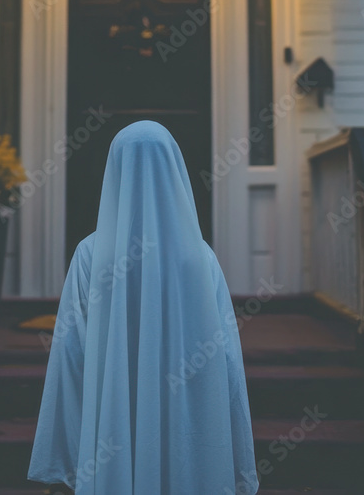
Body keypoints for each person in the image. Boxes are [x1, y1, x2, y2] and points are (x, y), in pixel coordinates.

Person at [28, 120, 259, 494]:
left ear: (114, 170)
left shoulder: (91, 254)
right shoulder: (199, 257)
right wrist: (237, 456)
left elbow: (71, 352)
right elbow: (227, 355)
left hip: (111, 425)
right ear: (175, 169)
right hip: (186, 405)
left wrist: (68, 450)